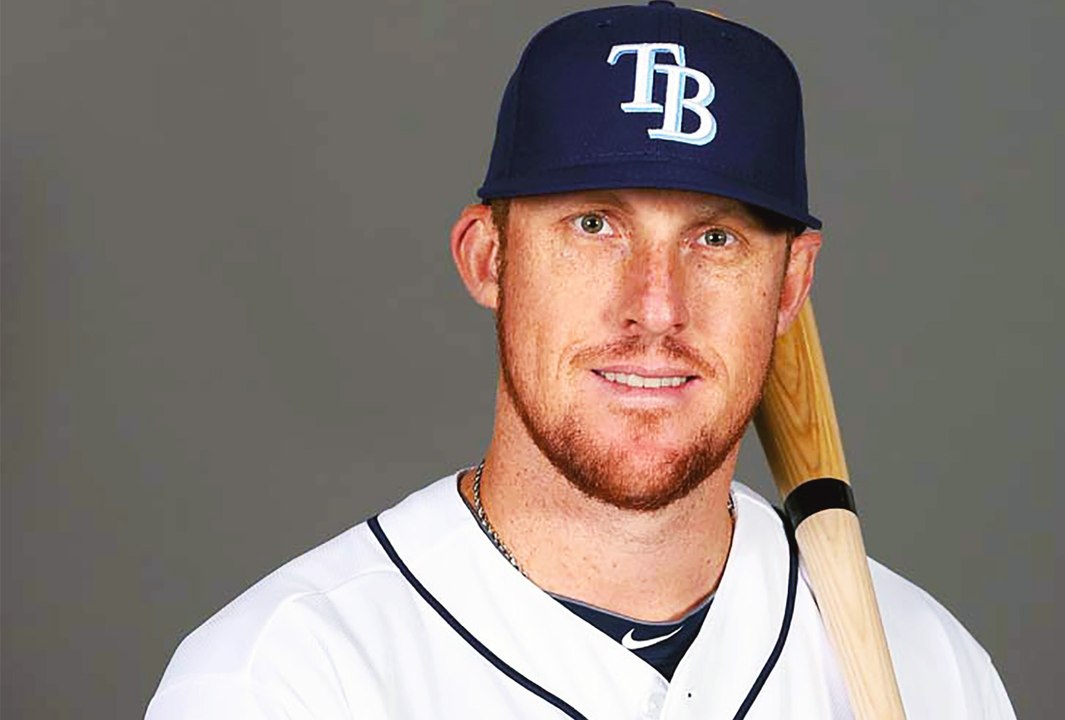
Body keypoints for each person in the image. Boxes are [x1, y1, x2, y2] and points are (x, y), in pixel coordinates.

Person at [147, 3, 1017, 718]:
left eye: (715, 238)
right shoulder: (283, 681)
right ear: (488, 257)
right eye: (594, 225)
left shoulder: (928, 668)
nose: (656, 306)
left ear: (793, 283)